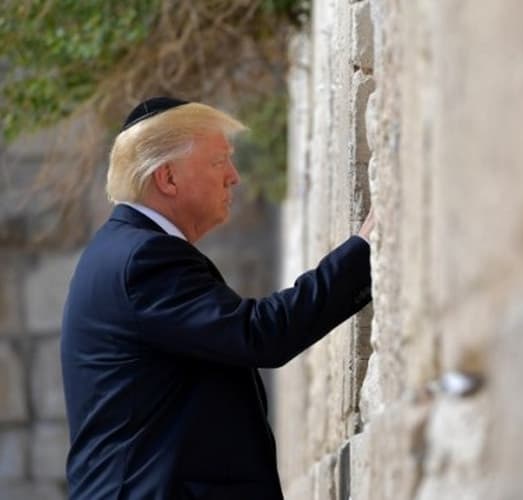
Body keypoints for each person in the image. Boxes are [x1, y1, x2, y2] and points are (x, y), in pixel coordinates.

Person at [61, 97, 374, 499]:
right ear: (168, 178)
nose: (234, 176)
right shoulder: (143, 259)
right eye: (218, 161)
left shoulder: (123, 251)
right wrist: (364, 251)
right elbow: (259, 334)